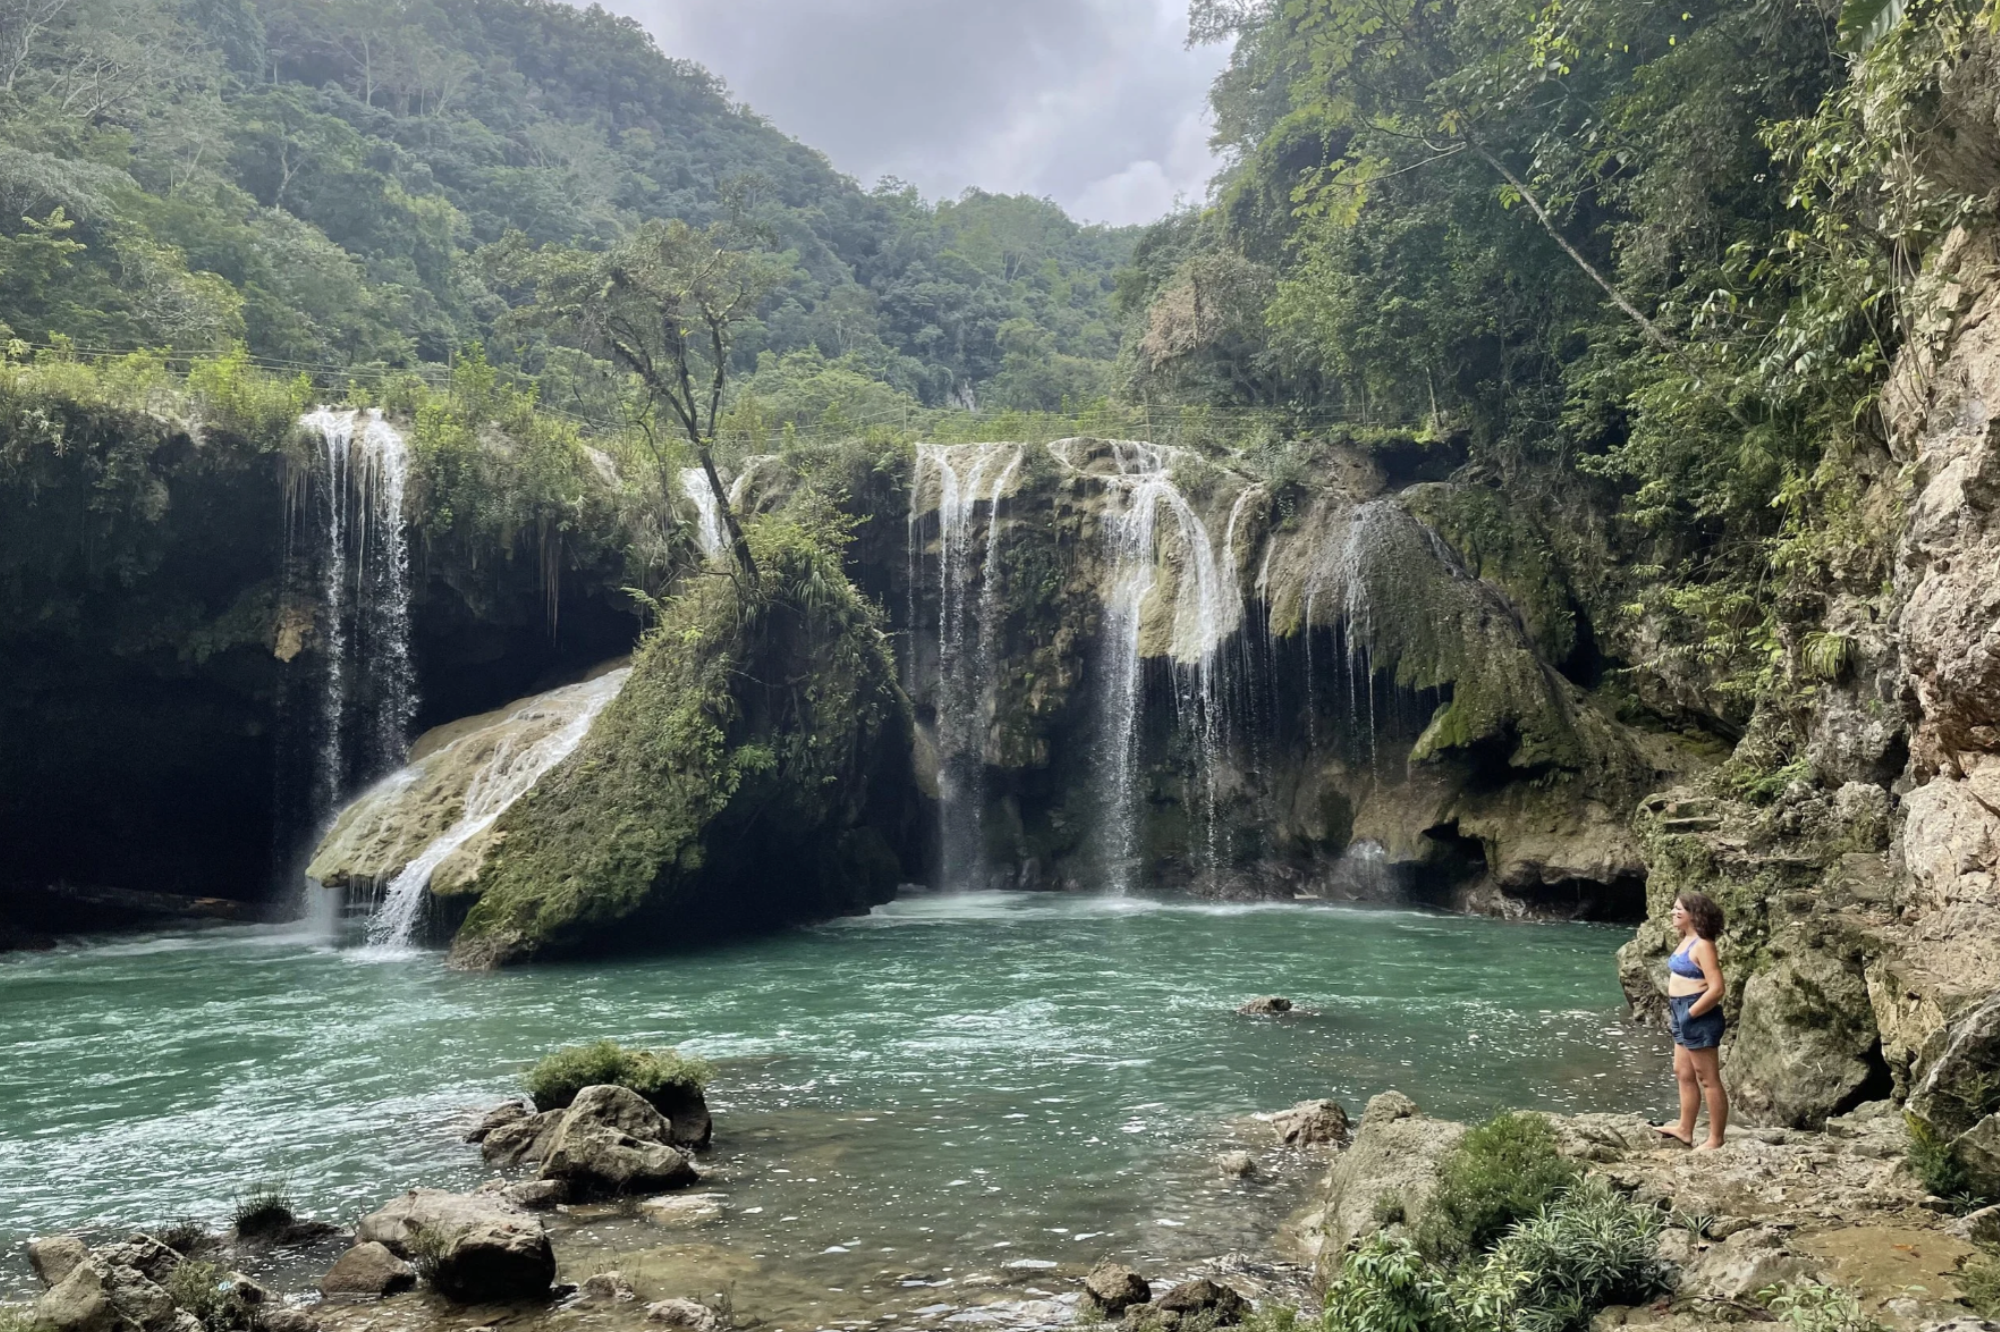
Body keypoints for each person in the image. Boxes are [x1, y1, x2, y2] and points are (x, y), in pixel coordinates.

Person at [1655, 891, 1729, 1150]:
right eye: (1674, 908)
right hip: (1679, 1009)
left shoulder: (1703, 944)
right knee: (1683, 1072)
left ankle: (1715, 1139)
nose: (1674, 913)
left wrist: (1692, 1013)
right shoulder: (1686, 939)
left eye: (1680, 909)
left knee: (1707, 1078)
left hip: (1697, 1012)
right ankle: (1685, 1129)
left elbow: (1717, 988)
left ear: (1695, 914)